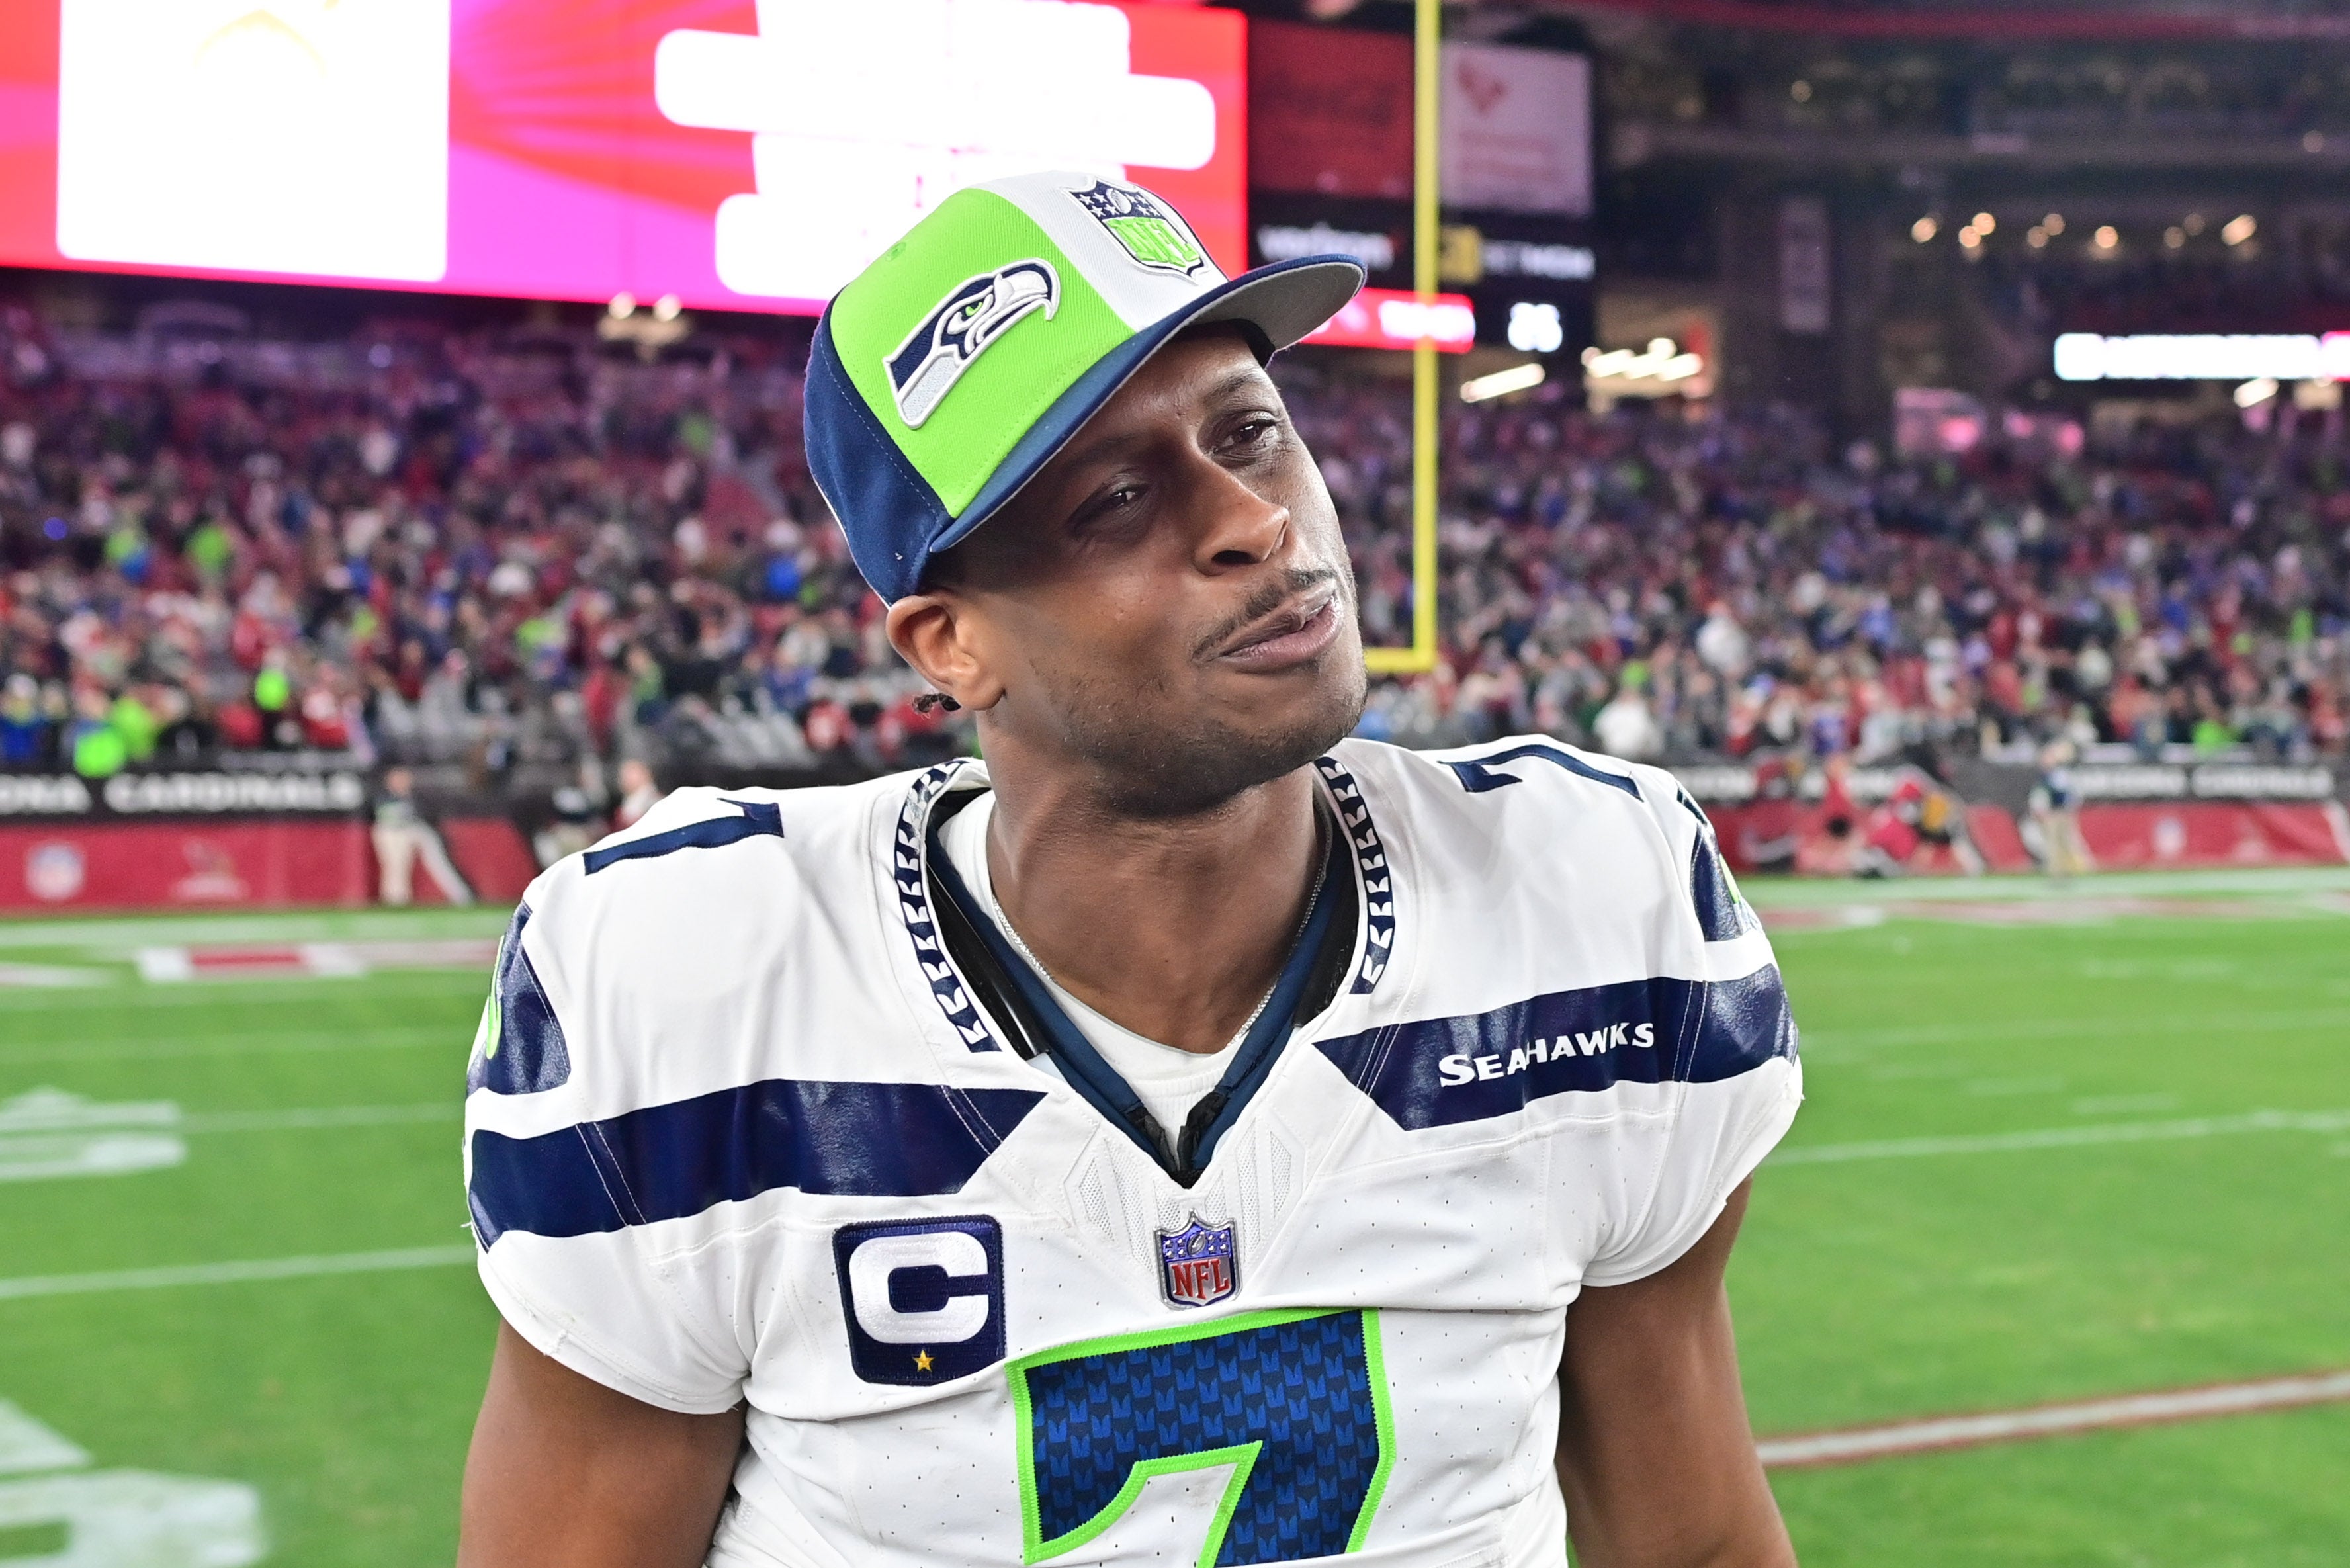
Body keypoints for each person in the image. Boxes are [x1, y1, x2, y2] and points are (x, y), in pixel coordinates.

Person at [457, 173, 1803, 1568]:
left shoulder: (1587, 895)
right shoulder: (703, 992)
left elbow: (1692, 1538)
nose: (1253, 522)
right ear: (949, 644)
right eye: (1113, 499)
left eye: (1253, 434)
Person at [372, 765, 474, 906]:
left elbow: (424, 817)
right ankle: (396, 903)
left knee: (437, 858)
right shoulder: (383, 796)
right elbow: (390, 820)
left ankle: (462, 897)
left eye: (404, 778)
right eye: (397, 778)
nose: (402, 782)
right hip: (392, 832)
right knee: (396, 868)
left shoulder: (417, 796)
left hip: (412, 829)